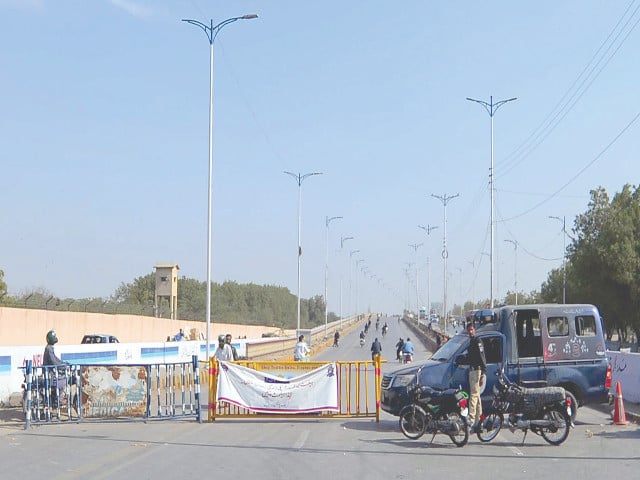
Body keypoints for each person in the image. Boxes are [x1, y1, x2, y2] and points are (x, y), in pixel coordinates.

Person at [466, 322, 487, 433]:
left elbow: (482, 356)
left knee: (473, 396)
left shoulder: (478, 341)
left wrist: (483, 373)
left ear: (475, 330)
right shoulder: (471, 342)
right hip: (472, 370)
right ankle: (480, 422)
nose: (470, 331)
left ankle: (471, 419)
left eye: (472, 329)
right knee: (478, 398)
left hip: (477, 371)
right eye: (468, 330)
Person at [43, 330, 68, 401]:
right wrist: (62, 366)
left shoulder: (49, 348)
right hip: (49, 374)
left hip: (50, 373)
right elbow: (53, 361)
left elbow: (56, 359)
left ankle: (55, 397)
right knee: (64, 381)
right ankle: (58, 399)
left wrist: (63, 363)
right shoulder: (49, 348)